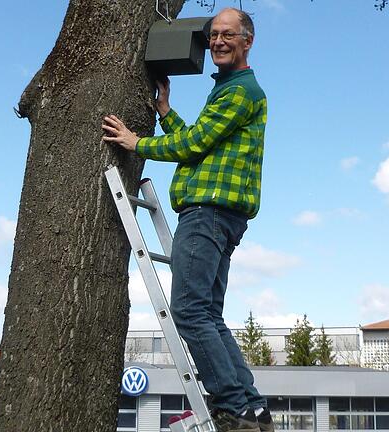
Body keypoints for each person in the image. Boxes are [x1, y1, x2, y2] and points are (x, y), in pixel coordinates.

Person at [102, 7, 270, 432]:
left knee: (189, 312)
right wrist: (164, 111)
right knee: (208, 314)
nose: (217, 41)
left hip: (209, 213)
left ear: (247, 40)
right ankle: (250, 406)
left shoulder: (241, 91)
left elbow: (194, 144)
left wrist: (136, 142)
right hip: (219, 214)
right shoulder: (231, 90)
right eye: (213, 34)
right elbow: (202, 144)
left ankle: (232, 406)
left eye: (228, 34)